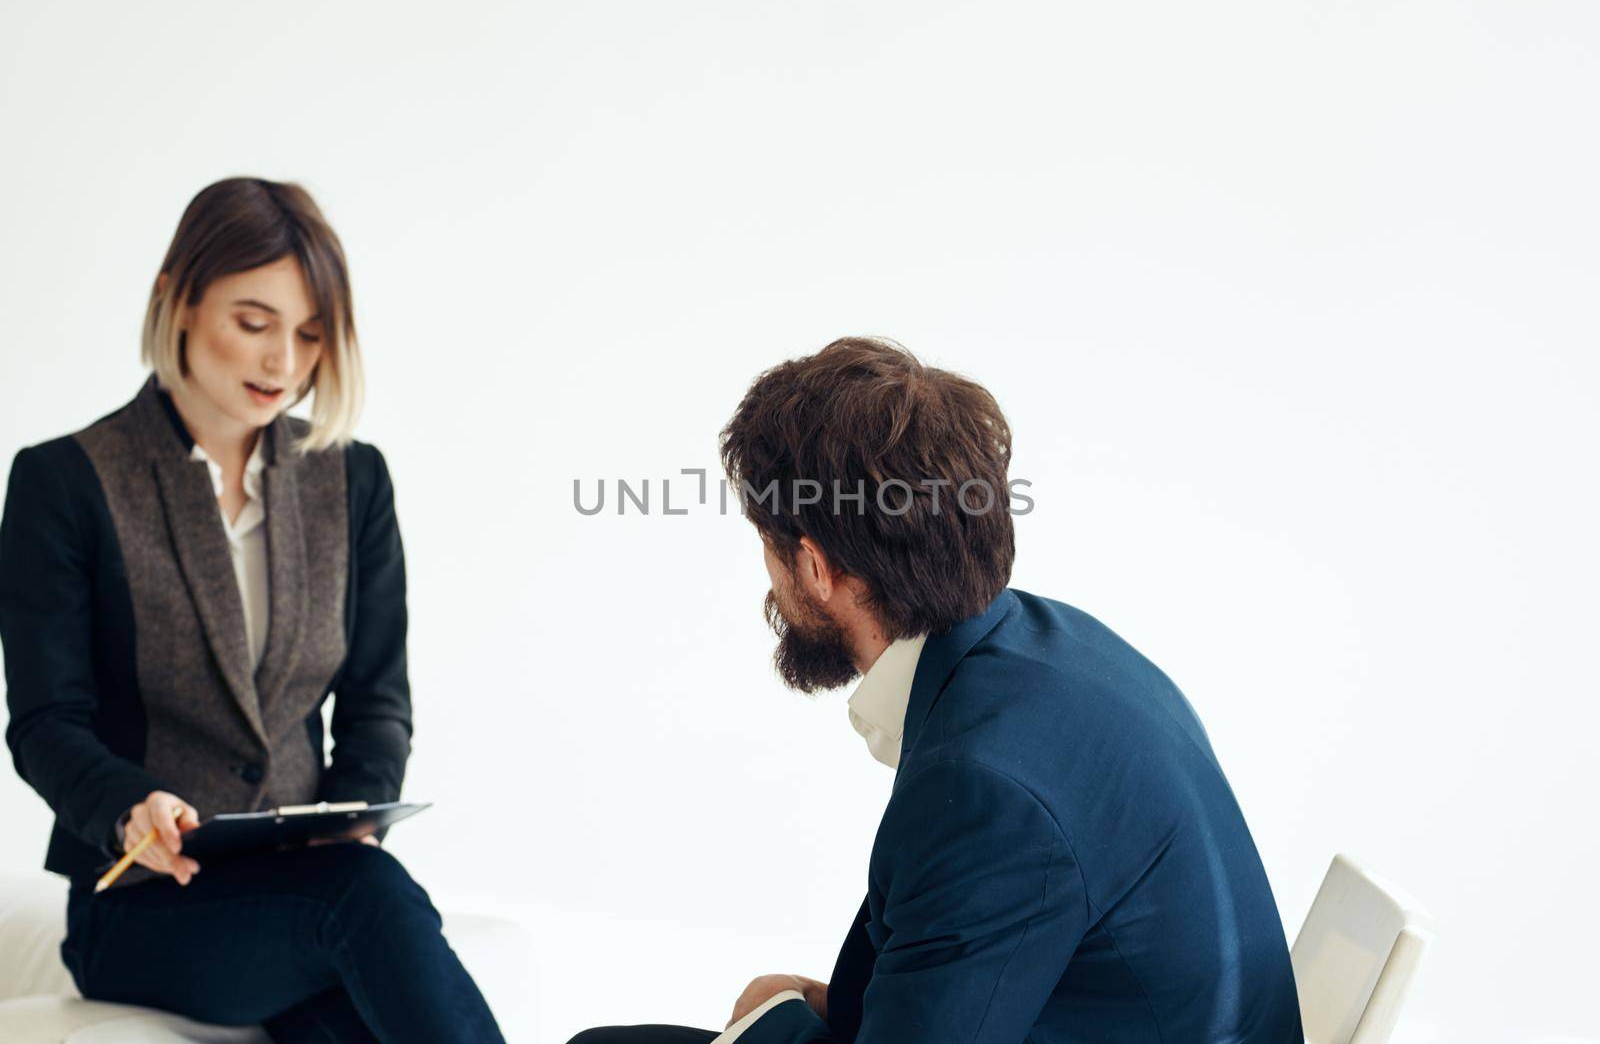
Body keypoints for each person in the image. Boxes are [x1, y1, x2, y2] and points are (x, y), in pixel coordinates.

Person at [569, 338, 1304, 1043]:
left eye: (769, 547)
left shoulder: (986, 787)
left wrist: (775, 1020)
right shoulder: (1058, 646)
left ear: (816, 568)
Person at [0, 178, 505, 1043]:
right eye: (254, 322)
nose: (284, 364)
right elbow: (46, 722)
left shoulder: (351, 480)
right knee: (366, 900)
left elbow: (378, 703)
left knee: (346, 999)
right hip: (148, 906)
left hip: (304, 892)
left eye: (310, 334)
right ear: (180, 301)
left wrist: (351, 819)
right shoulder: (65, 482)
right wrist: (131, 806)